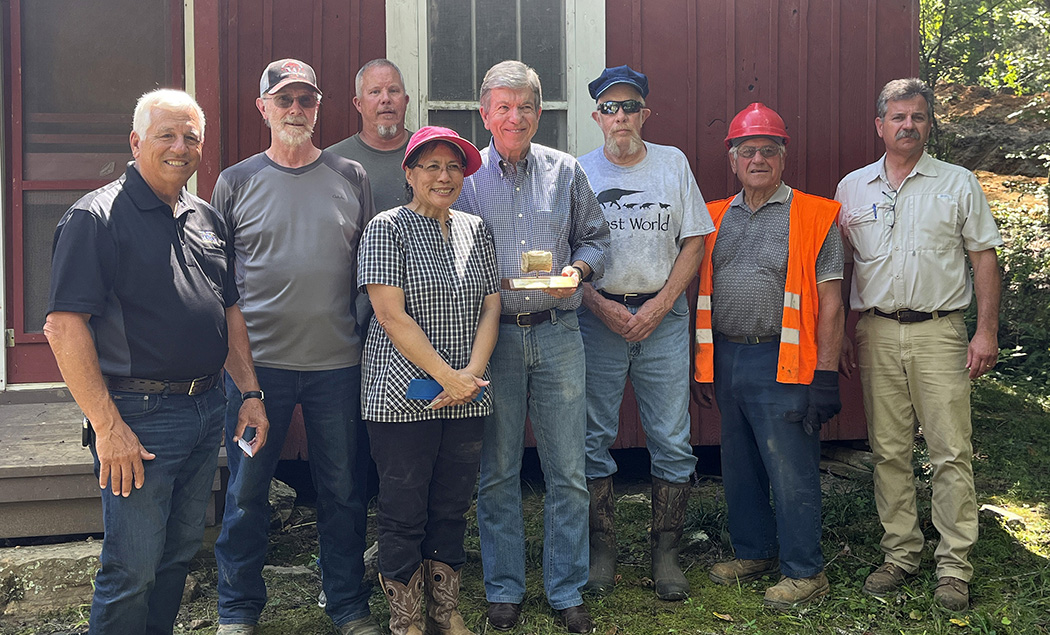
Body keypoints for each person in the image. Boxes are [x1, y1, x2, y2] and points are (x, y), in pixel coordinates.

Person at [44, 89, 269, 635]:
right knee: (132, 568)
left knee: (176, 556)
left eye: (191, 137)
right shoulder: (96, 219)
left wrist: (251, 394)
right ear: (135, 141)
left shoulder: (207, 219)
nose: (180, 147)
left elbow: (229, 312)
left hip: (206, 408)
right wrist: (107, 427)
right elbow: (64, 328)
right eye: (166, 135)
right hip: (137, 419)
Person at [212, 59, 380, 635]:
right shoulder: (235, 181)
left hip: (337, 366)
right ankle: (236, 610)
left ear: (319, 107)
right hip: (257, 374)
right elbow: (221, 284)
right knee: (246, 492)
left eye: (306, 100)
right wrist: (242, 376)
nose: (296, 110)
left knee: (342, 491)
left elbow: (368, 269)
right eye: (284, 100)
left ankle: (347, 605)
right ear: (263, 108)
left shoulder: (351, 175)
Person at [455, 60, 610, 634]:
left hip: (558, 330)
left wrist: (580, 268)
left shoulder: (565, 171)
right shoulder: (465, 180)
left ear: (540, 113)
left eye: (525, 106)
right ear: (485, 115)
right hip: (492, 339)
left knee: (567, 470)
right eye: (503, 106)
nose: (514, 116)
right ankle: (504, 588)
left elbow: (595, 236)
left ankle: (566, 588)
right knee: (497, 470)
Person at [836, 78, 1002, 611]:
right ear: (879, 124)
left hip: (940, 332)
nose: (908, 125)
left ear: (929, 124)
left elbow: (984, 259)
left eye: (918, 117)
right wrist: (840, 332)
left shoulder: (958, 184)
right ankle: (901, 554)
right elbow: (839, 267)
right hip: (876, 331)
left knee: (950, 451)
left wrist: (986, 331)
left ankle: (954, 566)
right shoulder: (852, 188)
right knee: (888, 450)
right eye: (898, 117)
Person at [692, 102, 844, 608]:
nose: (758, 158)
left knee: (790, 468)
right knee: (739, 465)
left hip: (786, 362)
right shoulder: (713, 217)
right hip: (730, 357)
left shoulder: (816, 215)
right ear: (732, 160)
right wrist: (705, 365)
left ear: (783, 157)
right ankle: (754, 551)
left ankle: (805, 571)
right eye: (747, 150)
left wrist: (824, 375)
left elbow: (832, 303)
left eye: (768, 150)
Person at [576, 65, 713, 601]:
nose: (620, 117)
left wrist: (660, 304)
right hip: (598, 318)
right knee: (592, 438)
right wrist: (599, 303)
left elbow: (695, 240)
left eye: (630, 106)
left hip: (663, 318)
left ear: (645, 113)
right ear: (596, 117)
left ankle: (666, 552)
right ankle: (602, 547)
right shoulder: (578, 172)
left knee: (672, 440)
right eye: (609, 108)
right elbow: (570, 255)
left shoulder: (673, 163)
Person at [358, 126, 500, 635]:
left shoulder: (474, 228)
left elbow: (491, 305)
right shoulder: (387, 228)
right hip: (403, 396)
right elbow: (390, 315)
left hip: (466, 395)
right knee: (403, 507)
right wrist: (448, 376)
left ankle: (445, 609)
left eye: (455, 167)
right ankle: (407, 618)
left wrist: (472, 375)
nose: (445, 176)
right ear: (410, 173)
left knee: (451, 505)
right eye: (433, 166)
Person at [328, 58, 412, 211]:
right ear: (358, 104)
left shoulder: (427, 152)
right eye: (375, 92)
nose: (386, 99)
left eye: (393, 91)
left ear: (406, 101)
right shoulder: (333, 162)